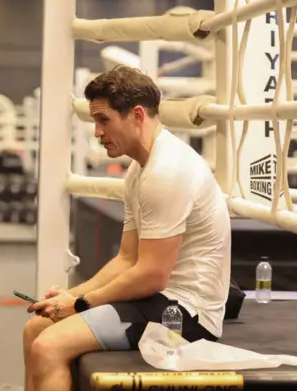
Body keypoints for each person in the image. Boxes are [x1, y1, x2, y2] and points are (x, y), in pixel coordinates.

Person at [22, 65, 232, 391]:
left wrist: (80, 304)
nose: (96, 131)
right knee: (35, 328)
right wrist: (71, 295)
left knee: (48, 345)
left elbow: (151, 275)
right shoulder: (138, 172)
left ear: (136, 115)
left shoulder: (166, 171)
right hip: (157, 298)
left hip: (186, 314)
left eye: (104, 120)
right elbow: (126, 259)